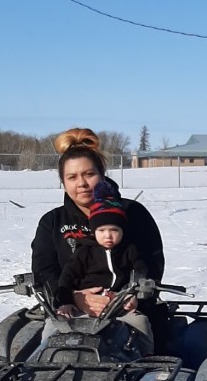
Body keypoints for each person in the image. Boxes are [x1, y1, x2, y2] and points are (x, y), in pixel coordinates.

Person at [31, 128, 164, 317]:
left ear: (102, 175)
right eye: (72, 177)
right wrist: (73, 297)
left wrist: (133, 296)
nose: (81, 183)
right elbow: (44, 271)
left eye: (89, 174)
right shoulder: (52, 222)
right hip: (68, 312)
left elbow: (152, 262)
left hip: (126, 310)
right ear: (63, 182)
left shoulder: (133, 213)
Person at [54, 183, 154, 357]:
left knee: (141, 322)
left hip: (118, 305)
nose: (108, 235)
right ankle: (45, 360)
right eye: (101, 230)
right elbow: (66, 278)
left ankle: (146, 358)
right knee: (54, 324)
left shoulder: (129, 250)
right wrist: (66, 301)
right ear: (93, 231)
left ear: (123, 231)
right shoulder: (84, 251)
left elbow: (141, 272)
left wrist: (134, 295)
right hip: (84, 307)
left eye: (114, 230)